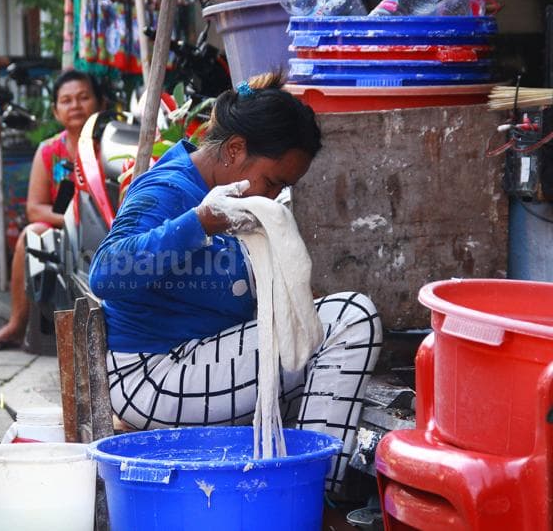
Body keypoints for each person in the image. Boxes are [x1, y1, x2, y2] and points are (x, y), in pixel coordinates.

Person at [88, 72, 382, 490]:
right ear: (235, 149)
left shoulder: (219, 187)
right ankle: (317, 491)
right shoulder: (169, 191)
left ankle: (303, 482)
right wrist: (199, 223)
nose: (275, 195)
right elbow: (105, 273)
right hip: (152, 377)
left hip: (188, 364)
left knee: (325, 322)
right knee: (352, 317)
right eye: (274, 182)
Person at [0, 70, 104, 350]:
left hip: (109, 228)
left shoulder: (111, 146)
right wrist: (74, 220)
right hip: (65, 228)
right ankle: (17, 325)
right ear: (55, 111)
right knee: (30, 234)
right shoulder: (48, 151)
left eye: (83, 98)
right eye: (66, 100)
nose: (75, 105)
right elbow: (35, 209)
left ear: (99, 104)